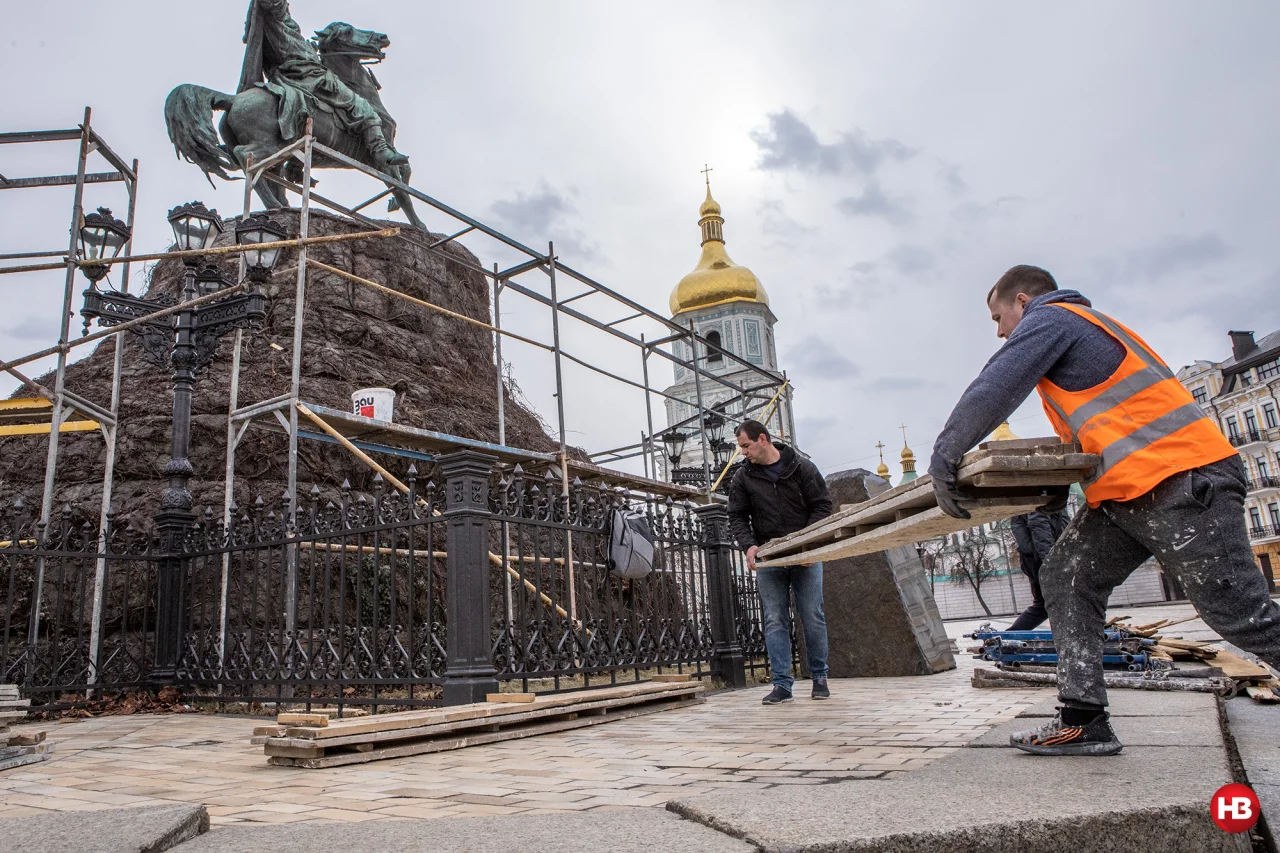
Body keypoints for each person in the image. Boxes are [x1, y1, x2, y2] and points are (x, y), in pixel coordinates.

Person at [929, 264, 1280, 756]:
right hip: (1130, 493)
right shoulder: (1080, 329)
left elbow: (994, 386)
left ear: (1024, 302)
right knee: (1066, 576)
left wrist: (946, 453)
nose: (999, 330)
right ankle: (1082, 720)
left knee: (1242, 616)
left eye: (998, 316)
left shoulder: (1053, 319)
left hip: (1181, 482)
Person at [727, 420, 833, 704]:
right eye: (741, 448)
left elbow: (822, 505)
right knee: (774, 619)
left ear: (762, 439)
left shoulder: (802, 468)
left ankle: (819, 678)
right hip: (770, 558)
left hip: (805, 555)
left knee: (812, 615)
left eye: (746, 446)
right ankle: (782, 685)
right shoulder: (743, 478)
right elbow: (736, 516)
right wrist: (749, 545)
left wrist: (809, 543)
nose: (743, 453)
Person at [239, 0, 409, 166]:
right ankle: (380, 149)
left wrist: (308, 50)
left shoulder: (273, 23)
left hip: (297, 73)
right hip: (310, 76)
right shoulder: (277, 15)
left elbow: (290, 46)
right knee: (362, 106)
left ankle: (296, 167)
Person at [1006, 508, 1070, 631]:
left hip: (1036, 559)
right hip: (1042, 559)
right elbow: (1039, 525)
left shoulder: (1035, 499)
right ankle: (1066, 642)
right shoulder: (1039, 497)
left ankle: (1007, 638)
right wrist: (1050, 562)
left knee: (1043, 606)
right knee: (1061, 602)